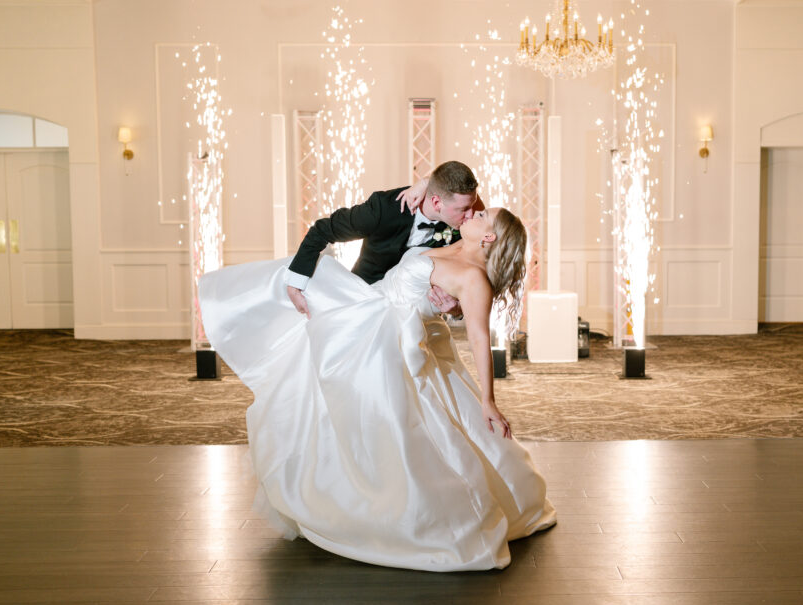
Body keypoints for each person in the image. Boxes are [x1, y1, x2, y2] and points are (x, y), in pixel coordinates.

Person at [199, 206, 556, 572]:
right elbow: (443, 205)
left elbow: (480, 339)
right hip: (370, 307)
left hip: (385, 338)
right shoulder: (451, 241)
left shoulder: (473, 278)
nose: (472, 215)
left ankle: (389, 515)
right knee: (311, 284)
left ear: (489, 237)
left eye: (481, 218)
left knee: (379, 422)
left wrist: (488, 400)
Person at [285, 160, 481, 319]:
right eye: (464, 209)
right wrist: (295, 283)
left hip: (418, 321)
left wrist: (457, 310)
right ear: (436, 202)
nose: (471, 215)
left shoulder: (462, 228)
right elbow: (323, 230)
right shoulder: (383, 210)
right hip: (366, 305)